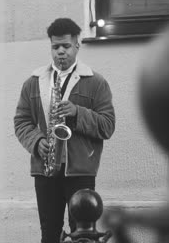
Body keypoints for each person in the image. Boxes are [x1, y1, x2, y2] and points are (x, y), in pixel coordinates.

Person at [13, 18, 115, 243]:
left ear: (77, 45)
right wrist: (37, 142)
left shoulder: (96, 82)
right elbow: (21, 122)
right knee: (49, 232)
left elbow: (108, 126)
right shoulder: (33, 82)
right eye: (55, 47)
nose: (60, 52)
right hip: (45, 168)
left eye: (66, 46)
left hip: (80, 171)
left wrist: (77, 112)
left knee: (82, 234)